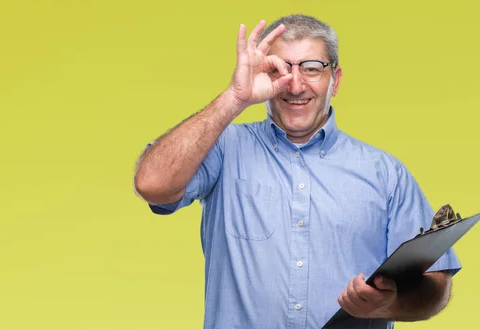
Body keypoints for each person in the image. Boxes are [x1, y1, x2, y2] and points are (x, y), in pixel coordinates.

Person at [133, 14, 461, 329]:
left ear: (335, 80)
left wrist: (389, 305)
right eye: (278, 70)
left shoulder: (386, 174)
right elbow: (152, 184)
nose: (294, 84)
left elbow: (436, 283)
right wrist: (234, 98)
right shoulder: (222, 148)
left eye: (312, 68)